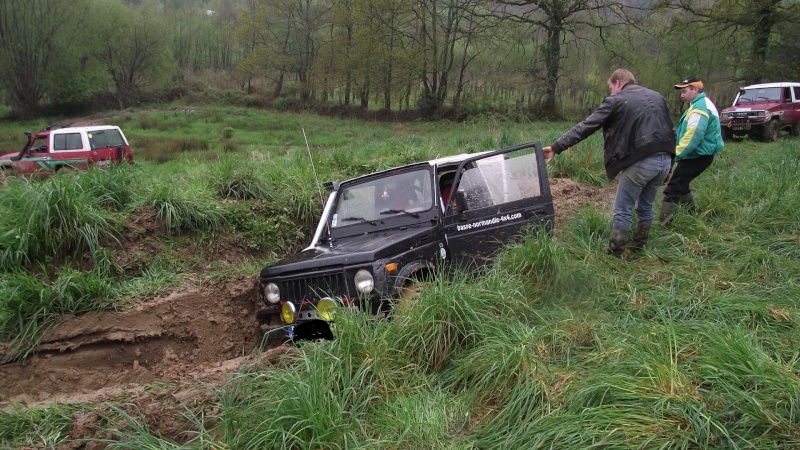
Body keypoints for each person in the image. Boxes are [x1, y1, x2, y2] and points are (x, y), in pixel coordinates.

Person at [543, 69, 675, 257]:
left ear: (618, 83)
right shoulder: (658, 97)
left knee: (623, 208)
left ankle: (615, 251)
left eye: (610, 87)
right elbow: (671, 130)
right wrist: (671, 164)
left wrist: (556, 147)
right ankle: (638, 245)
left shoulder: (617, 100)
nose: (611, 91)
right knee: (646, 205)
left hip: (640, 161)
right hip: (664, 160)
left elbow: (587, 126)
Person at [660, 76, 724, 225]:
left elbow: (693, 137)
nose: (682, 95)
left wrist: (675, 154)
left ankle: (665, 224)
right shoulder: (699, 104)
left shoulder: (700, 109)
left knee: (673, 188)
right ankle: (692, 214)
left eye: (685, 91)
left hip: (698, 155)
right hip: (699, 154)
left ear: (695, 89)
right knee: (682, 184)